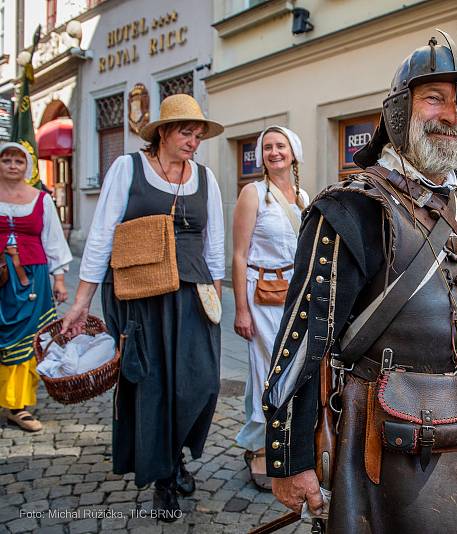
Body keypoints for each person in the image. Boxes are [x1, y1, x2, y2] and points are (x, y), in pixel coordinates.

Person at [259, 33, 457, 534]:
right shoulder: (350, 209)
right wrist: (290, 459)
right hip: (383, 448)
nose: (454, 115)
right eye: (436, 98)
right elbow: (300, 346)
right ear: (399, 112)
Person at [61, 94, 225, 520]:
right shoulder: (127, 169)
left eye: (198, 134)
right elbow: (100, 236)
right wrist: (82, 301)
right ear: (163, 133)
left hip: (192, 295)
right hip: (140, 296)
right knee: (152, 385)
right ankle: (165, 476)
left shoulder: (206, 178)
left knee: (200, 384)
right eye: (186, 132)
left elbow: (216, 246)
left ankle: (174, 455)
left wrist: (215, 300)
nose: (193, 141)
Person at [232, 125, 309, 491]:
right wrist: (241, 310)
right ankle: (262, 447)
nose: (273, 152)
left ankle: (283, 438)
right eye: (267, 147)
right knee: (266, 369)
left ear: (293, 153)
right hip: (260, 293)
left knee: (290, 369)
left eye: (280, 146)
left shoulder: (303, 198)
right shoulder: (253, 194)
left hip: (293, 294)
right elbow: (238, 255)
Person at [0, 142, 71, 432]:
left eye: (18, 161)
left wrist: (60, 279)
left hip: (33, 279)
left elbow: (53, 239)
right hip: (0, 278)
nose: (12, 165)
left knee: (28, 338)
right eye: (6, 160)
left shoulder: (41, 200)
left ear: (27, 166)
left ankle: (18, 405)